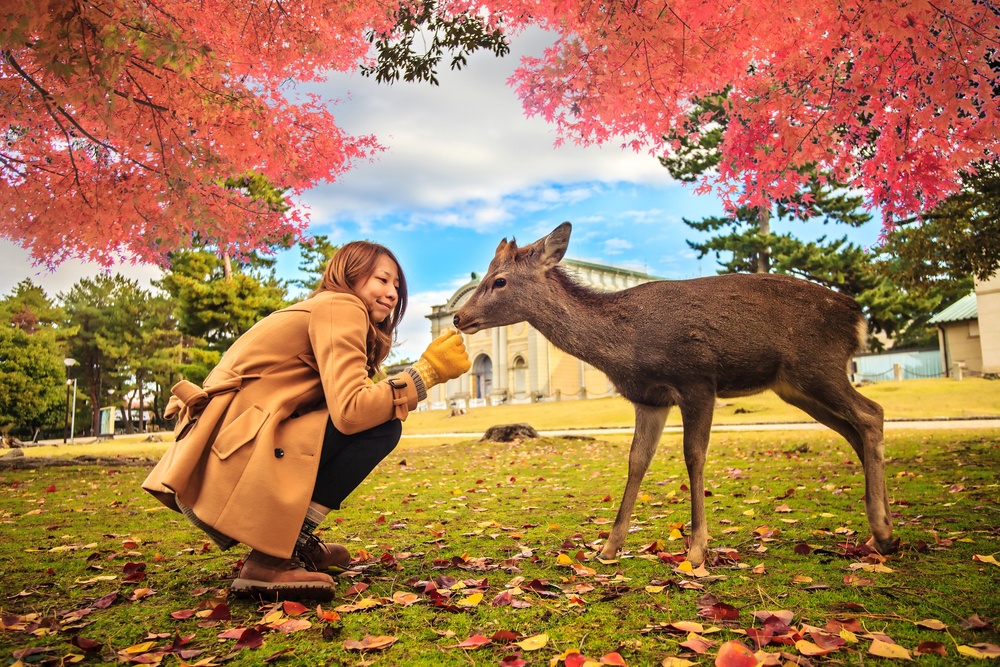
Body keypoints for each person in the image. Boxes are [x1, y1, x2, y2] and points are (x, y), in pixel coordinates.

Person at [142, 241, 471, 600]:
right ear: (350, 273)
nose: (392, 293)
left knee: (377, 418)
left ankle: (285, 543)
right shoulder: (342, 305)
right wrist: (425, 374)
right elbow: (352, 410)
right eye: (382, 279)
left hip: (225, 449)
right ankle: (271, 558)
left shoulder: (322, 308)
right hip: (238, 451)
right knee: (381, 426)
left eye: (397, 286)